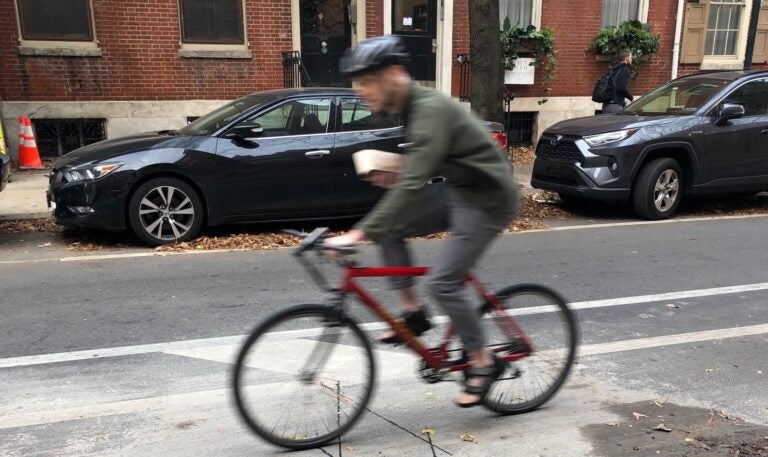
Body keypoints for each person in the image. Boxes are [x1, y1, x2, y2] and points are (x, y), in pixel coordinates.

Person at [324, 35, 521, 408]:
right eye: (358, 83)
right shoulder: (411, 110)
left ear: (395, 74)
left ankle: (482, 359)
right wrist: (396, 170)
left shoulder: (428, 110)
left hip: (488, 200)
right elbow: (429, 162)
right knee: (393, 227)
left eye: (367, 81)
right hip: (459, 189)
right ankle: (413, 315)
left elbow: (415, 182)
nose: (361, 91)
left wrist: (357, 234)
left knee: (444, 283)